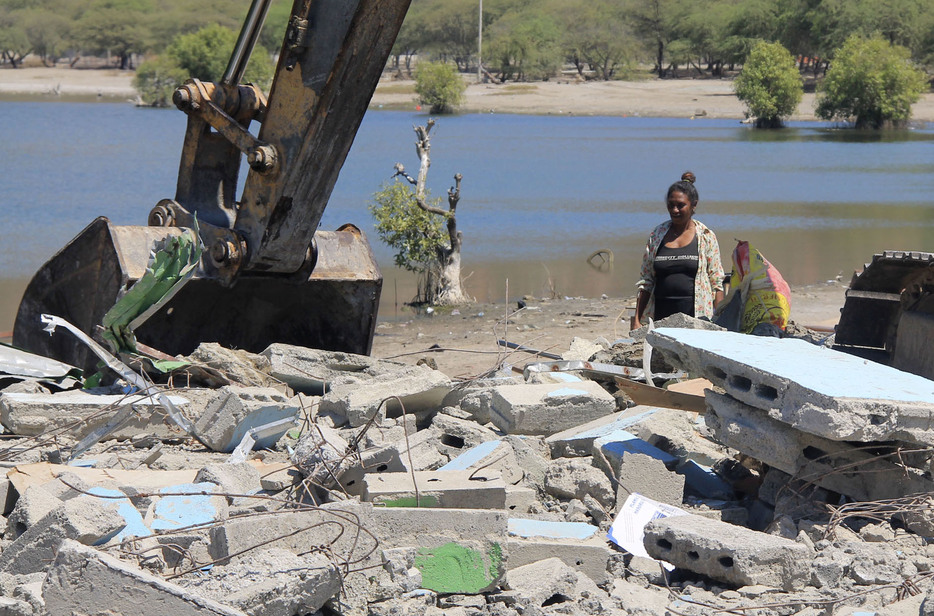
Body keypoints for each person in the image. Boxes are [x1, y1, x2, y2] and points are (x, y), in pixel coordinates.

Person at [633, 171, 724, 329]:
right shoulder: (657, 235)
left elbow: (716, 282)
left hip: (697, 317)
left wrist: (721, 319)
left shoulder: (706, 236)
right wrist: (636, 320)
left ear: (693, 205)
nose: (675, 210)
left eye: (680, 205)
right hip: (660, 316)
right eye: (671, 205)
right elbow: (646, 281)